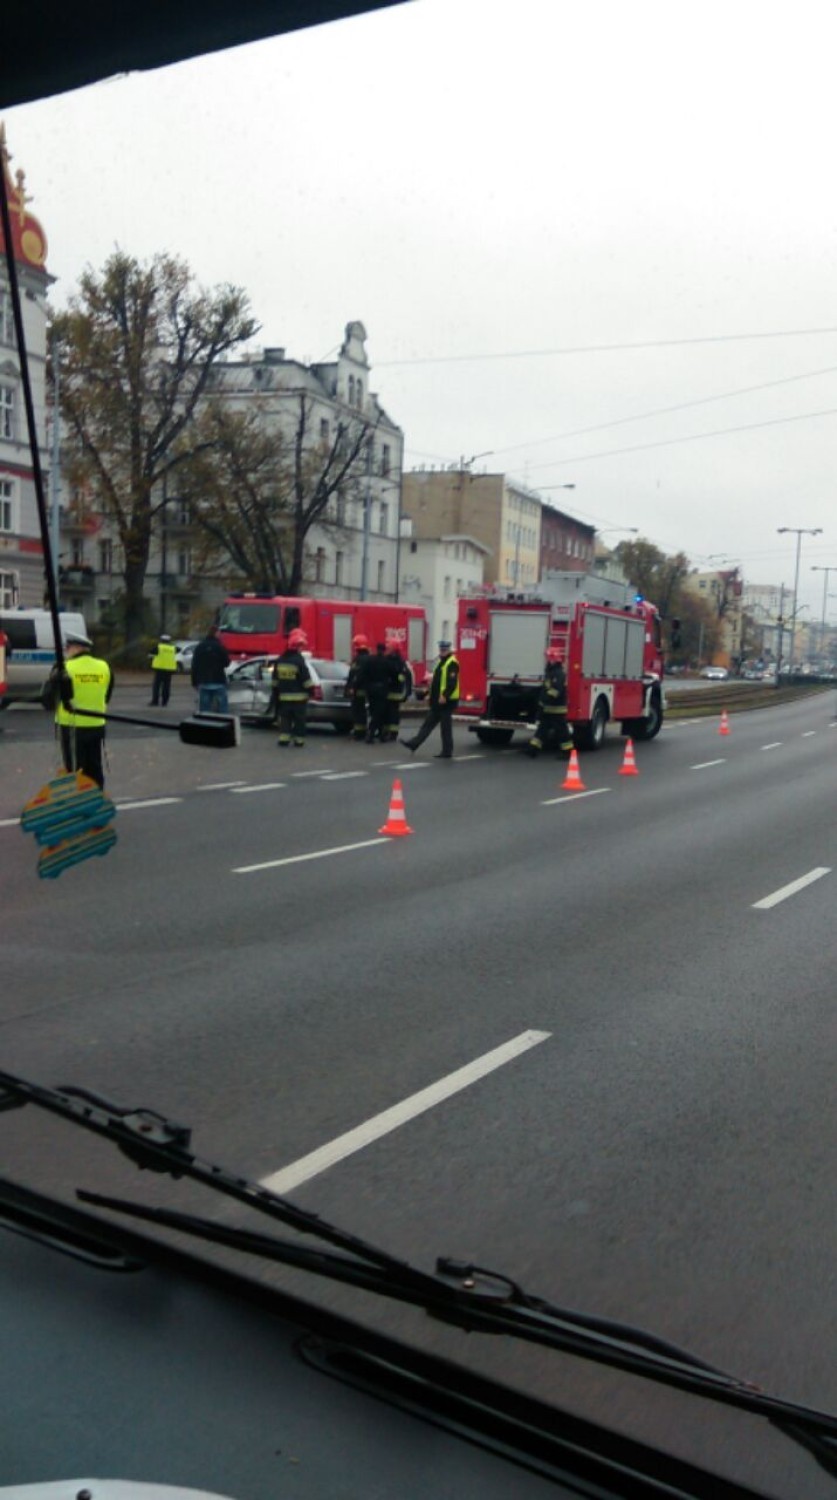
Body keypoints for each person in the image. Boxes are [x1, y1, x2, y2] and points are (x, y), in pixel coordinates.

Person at [48, 630, 114, 790]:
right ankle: (97, 794)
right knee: (95, 765)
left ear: (75, 648)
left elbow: (52, 697)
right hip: (96, 725)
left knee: (75, 768)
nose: (66, 651)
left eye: (68, 648)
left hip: (71, 727)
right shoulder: (104, 666)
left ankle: (77, 798)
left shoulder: (63, 668)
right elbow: (107, 694)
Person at [400, 639, 459, 759]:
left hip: (446, 702)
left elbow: (451, 683)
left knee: (445, 728)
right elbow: (436, 682)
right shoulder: (440, 663)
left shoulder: (452, 663)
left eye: (444, 650)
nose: (442, 651)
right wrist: (429, 693)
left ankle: (447, 751)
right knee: (427, 724)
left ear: (449, 650)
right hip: (437, 701)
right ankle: (414, 744)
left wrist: (445, 696)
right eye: (441, 649)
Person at [527, 646, 574, 756]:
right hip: (548, 708)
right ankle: (533, 749)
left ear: (555, 659)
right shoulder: (551, 672)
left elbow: (555, 691)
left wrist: (544, 701)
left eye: (549, 658)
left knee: (562, 732)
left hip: (557, 709)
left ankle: (567, 752)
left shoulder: (558, 673)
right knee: (542, 729)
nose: (548, 660)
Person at [272, 628, 314, 746]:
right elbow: (306, 679)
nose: (302, 649)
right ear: (297, 647)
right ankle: (299, 740)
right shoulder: (299, 661)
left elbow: (275, 681)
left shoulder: (280, 660)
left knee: (285, 719)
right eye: (301, 646)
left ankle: (284, 738)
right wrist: (311, 691)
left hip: (284, 697)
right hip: (299, 699)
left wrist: (276, 694)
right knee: (299, 719)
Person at [190, 625, 230, 713]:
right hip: (218, 680)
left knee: (204, 709)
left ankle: (206, 724)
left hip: (203, 681)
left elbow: (194, 665)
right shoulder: (220, 647)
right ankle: (223, 723)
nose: (220, 635)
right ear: (216, 633)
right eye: (219, 633)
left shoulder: (200, 647)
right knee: (222, 707)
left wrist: (194, 682)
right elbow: (227, 663)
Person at [360, 642, 392, 743]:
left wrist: (366, 687)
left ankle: (380, 735)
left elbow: (363, 674)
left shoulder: (370, 660)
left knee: (374, 711)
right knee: (379, 713)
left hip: (371, 690)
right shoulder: (386, 661)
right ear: (384, 650)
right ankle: (371, 734)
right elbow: (392, 675)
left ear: (376, 649)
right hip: (382, 690)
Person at [345, 634, 371, 740]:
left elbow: (355, 675)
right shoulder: (367, 658)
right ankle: (361, 731)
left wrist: (351, 687)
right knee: (362, 712)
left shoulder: (358, 660)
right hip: (364, 689)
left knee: (358, 712)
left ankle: (359, 733)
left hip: (358, 690)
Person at [384, 646, 411, 743]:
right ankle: (392, 733)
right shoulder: (401, 662)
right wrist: (407, 692)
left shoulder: (389, 661)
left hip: (390, 691)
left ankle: (388, 733)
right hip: (397, 692)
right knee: (393, 713)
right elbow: (407, 676)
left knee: (389, 713)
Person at [149, 632, 177, 706]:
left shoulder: (158, 647)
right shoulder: (173, 648)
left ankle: (155, 701)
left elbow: (150, 654)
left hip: (159, 669)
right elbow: (178, 650)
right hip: (169, 670)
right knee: (166, 687)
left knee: (157, 686)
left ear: (161, 640)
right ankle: (165, 702)